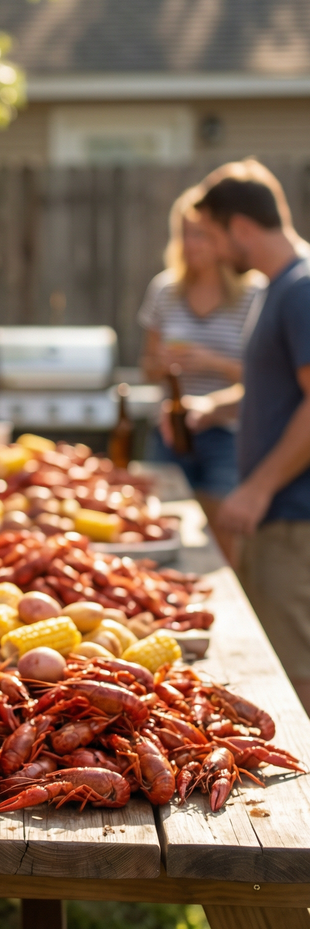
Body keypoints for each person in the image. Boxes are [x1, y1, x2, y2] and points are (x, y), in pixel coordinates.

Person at [182, 159, 310, 713]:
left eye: (211, 233)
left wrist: (256, 488)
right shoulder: (273, 288)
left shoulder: (301, 288)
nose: (211, 247)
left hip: (292, 517)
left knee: (295, 670)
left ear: (240, 227)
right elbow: (278, 387)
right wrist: (215, 406)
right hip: (273, 515)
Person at [139, 184, 262, 565]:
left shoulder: (252, 293)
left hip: (227, 430)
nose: (192, 244)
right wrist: (160, 365)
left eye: (201, 234)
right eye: (185, 234)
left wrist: (211, 361)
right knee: (160, 521)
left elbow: (263, 376)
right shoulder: (165, 290)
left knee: (222, 527)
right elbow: (147, 365)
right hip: (172, 426)